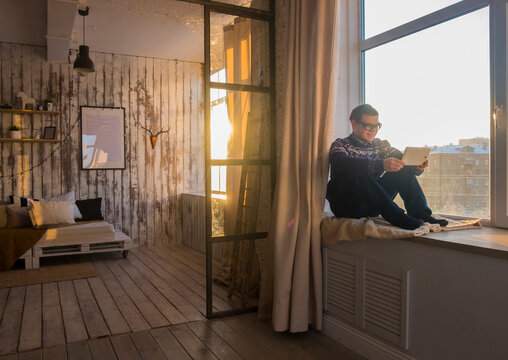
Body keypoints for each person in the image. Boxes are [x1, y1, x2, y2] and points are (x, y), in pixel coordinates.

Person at [326, 104, 448, 230]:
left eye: (376, 126)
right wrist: (381, 164)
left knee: (402, 168)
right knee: (358, 172)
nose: (373, 130)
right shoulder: (340, 145)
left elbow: (403, 161)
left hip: (374, 203)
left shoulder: (381, 146)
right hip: (348, 205)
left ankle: (420, 214)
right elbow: (342, 164)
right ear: (354, 123)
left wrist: (417, 166)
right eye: (368, 125)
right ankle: (398, 217)